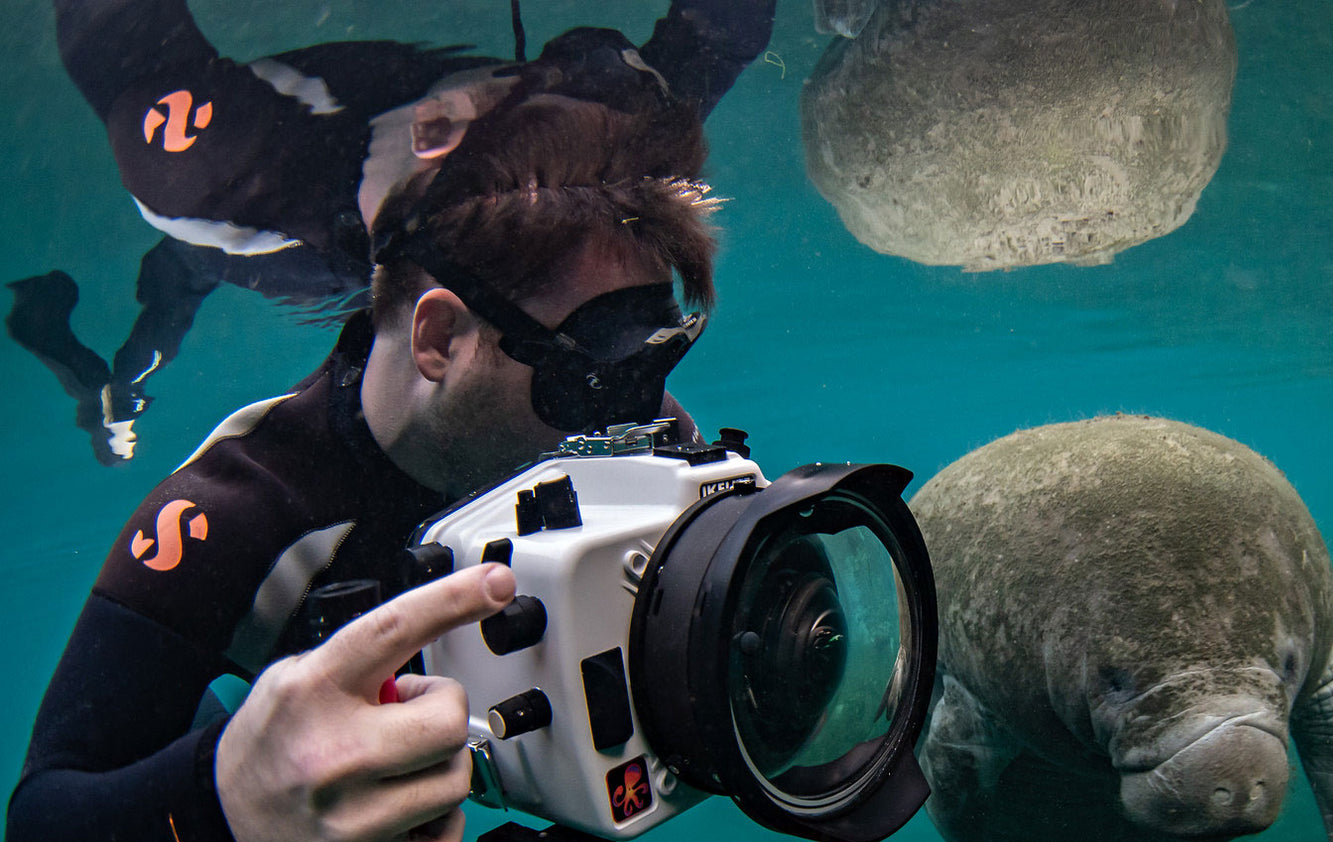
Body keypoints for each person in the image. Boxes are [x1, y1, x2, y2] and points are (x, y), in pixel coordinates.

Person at [4, 24, 731, 842]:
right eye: (590, 373)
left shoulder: (637, 431)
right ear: (437, 340)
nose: (637, 416)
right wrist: (228, 811)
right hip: (233, 181)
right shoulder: (244, 508)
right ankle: (115, 376)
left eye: (653, 360)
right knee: (178, 231)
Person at [6, 0, 775, 464]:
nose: (554, 78)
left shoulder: (210, 167)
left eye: (542, 89)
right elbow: (720, 36)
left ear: (441, 123)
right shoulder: (613, 155)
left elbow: (107, 29)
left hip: (240, 235)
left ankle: (113, 388)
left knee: (174, 287)